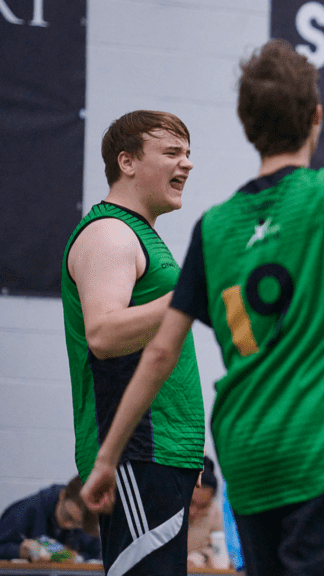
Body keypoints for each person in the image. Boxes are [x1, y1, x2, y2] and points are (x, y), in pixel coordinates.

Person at [80, 0, 324, 574]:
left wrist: (106, 458)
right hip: (318, 446)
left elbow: (162, 350)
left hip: (246, 451)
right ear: (316, 116)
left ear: (246, 126)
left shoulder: (214, 227)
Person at [61, 110, 205, 576]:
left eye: (188, 154)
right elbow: (102, 335)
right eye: (171, 153)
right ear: (126, 162)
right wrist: (191, 296)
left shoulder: (145, 236)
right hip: (137, 451)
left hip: (165, 453)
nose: (186, 164)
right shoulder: (110, 234)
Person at [0, 477, 101, 562]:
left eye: (78, 524)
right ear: (62, 495)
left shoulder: (88, 523)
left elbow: (97, 555)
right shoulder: (23, 512)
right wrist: (18, 551)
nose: (68, 525)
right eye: (67, 516)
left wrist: (77, 558)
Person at [187, 456, 228, 570]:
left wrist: (200, 557)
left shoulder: (215, 516)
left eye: (203, 506)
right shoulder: (165, 510)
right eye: (191, 502)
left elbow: (219, 549)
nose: (193, 512)